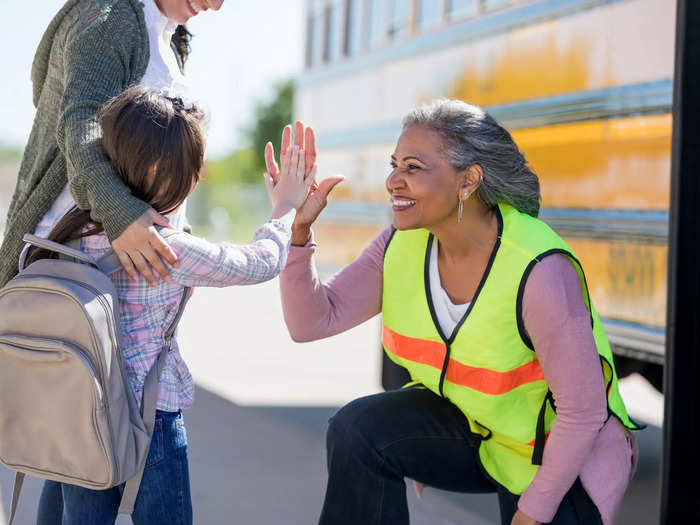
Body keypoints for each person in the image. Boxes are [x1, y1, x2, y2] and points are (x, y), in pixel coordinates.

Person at [271, 101, 641, 525]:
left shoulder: (539, 268)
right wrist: (296, 231)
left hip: (564, 456)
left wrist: (533, 511)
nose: (394, 180)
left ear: (468, 181)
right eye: (395, 165)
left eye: (413, 167)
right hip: (484, 436)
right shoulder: (399, 243)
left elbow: (584, 412)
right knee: (359, 430)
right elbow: (311, 322)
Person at [28, 87, 314, 524]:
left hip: (81, 417)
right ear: (172, 174)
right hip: (150, 421)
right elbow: (259, 263)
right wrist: (285, 209)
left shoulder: (71, 233)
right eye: (193, 169)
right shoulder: (165, 250)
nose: (197, 178)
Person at [0, 0, 224, 291]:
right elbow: (80, 122)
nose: (216, 5)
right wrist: (120, 211)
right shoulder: (112, 15)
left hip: (123, 263)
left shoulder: (166, 35)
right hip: (76, 261)